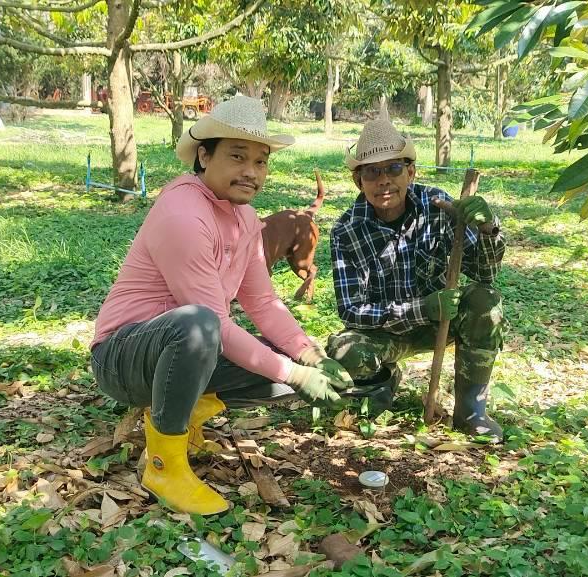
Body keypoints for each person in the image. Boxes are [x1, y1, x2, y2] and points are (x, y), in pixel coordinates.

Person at [89, 96, 353, 515]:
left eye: (261, 161)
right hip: (122, 357)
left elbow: (263, 302)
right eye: (236, 156)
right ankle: (164, 464)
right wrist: (294, 372)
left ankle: (185, 417)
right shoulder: (183, 213)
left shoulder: (245, 220)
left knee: (287, 359)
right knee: (198, 326)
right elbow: (210, 322)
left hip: (186, 352)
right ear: (203, 156)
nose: (251, 171)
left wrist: (309, 355)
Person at [326, 113, 508, 443]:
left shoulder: (438, 207)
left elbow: (484, 275)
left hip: (445, 323)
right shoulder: (346, 230)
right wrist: (421, 308)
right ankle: (382, 384)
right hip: (387, 333)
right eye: (372, 172)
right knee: (343, 349)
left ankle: (471, 411)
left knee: (486, 302)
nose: (384, 180)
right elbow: (351, 310)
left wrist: (487, 229)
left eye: (394, 168)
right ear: (358, 181)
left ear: (410, 172)